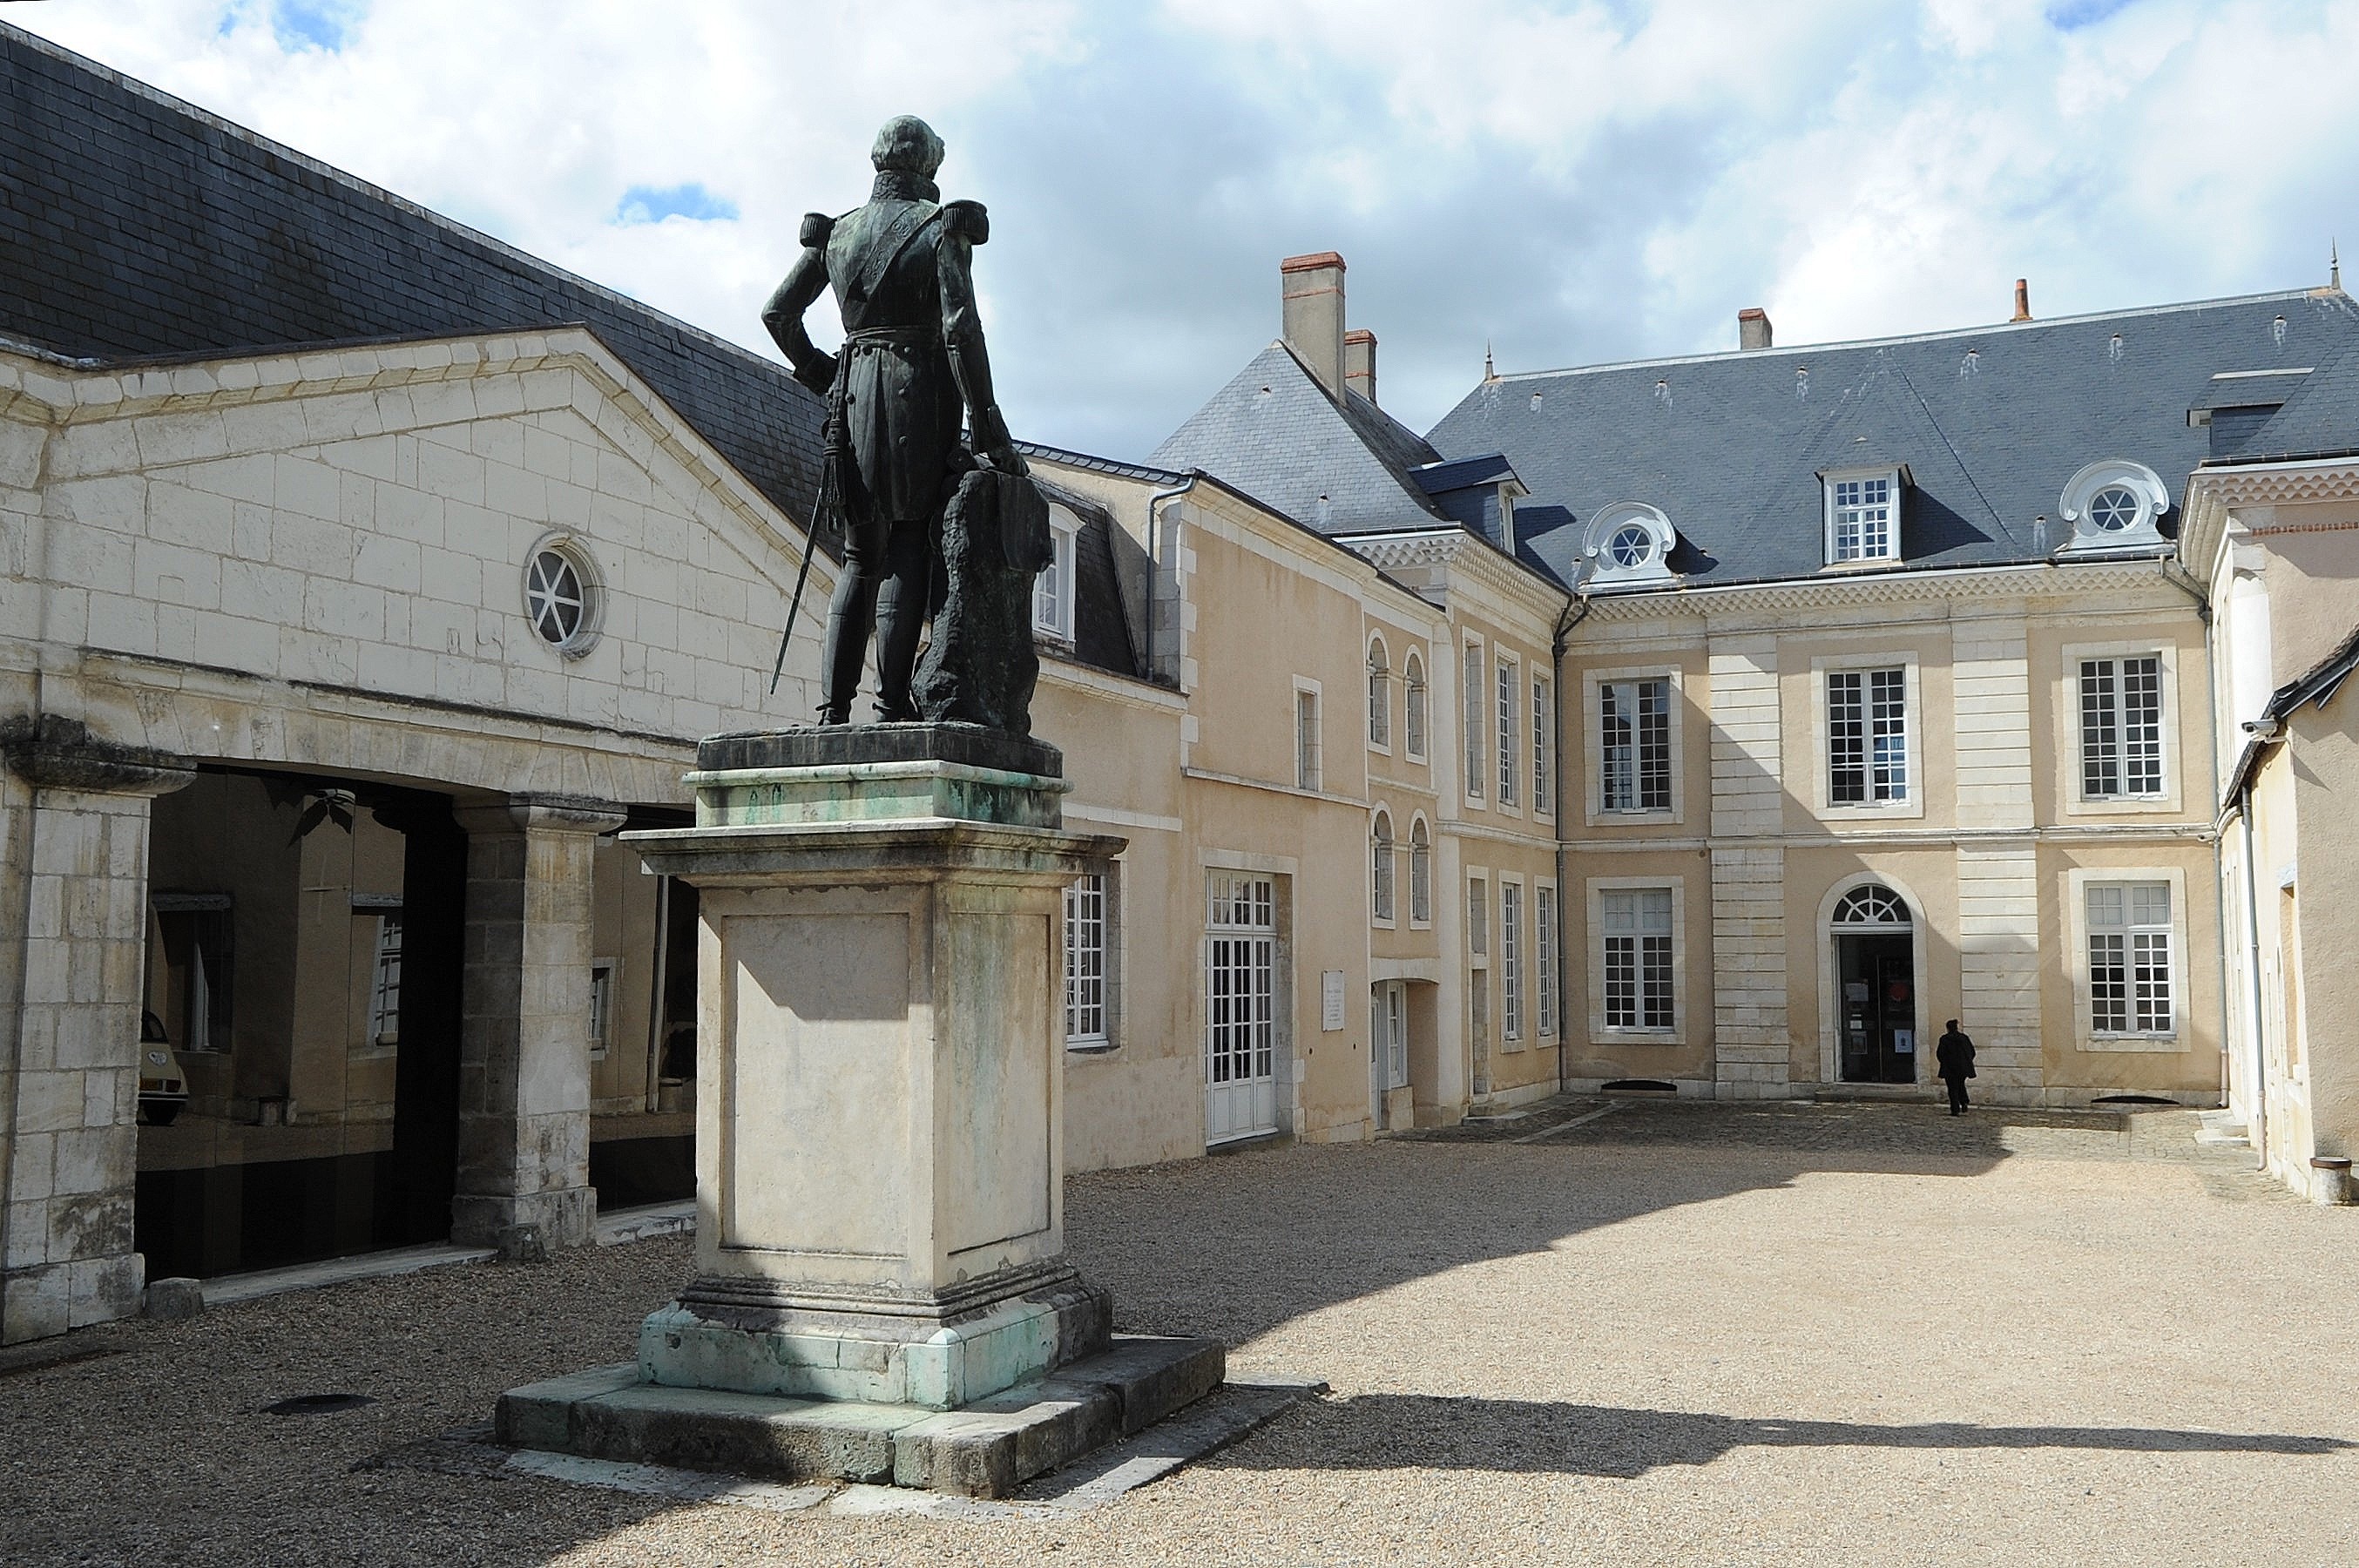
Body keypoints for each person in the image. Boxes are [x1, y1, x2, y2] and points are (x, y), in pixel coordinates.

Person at [761, 115, 1022, 725]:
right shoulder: (940, 228)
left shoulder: (838, 234)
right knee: (907, 543)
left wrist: (824, 374)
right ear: (928, 166)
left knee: (859, 555)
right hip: (917, 391)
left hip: (851, 397)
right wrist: (988, 429)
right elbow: (960, 329)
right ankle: (889, 704)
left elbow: (778, 316)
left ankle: (832, 710)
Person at [1936, 1019, 1976, 1115]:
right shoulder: (1964, 1038)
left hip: (1949, 1068)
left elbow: (1940, 1054)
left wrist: (1945, 1062)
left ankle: (1955, 1109)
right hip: (1963, 1068)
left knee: (1952, 1088)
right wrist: (1966, 1062)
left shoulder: (1945, 1039)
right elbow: (1972, 1052)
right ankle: (1964, 1102)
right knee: (1961, 1085)